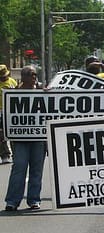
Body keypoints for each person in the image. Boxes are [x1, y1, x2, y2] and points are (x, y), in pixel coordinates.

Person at [4, 66, 46, 211]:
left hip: (39, 139)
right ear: (23, 77)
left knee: (36, 170)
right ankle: (12, 201)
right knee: (19, 168)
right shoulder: (14, 93)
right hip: (20, 139)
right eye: (30, 74)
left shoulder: (42, 91)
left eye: (35, 74)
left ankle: (34, 200)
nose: (34, 77)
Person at [0, 64, 17, 164]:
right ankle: (4, 154)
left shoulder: (12, 82)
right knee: (1, 134)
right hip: (0, 111)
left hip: (11, 110)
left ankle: (16, 154)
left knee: (13, 133)